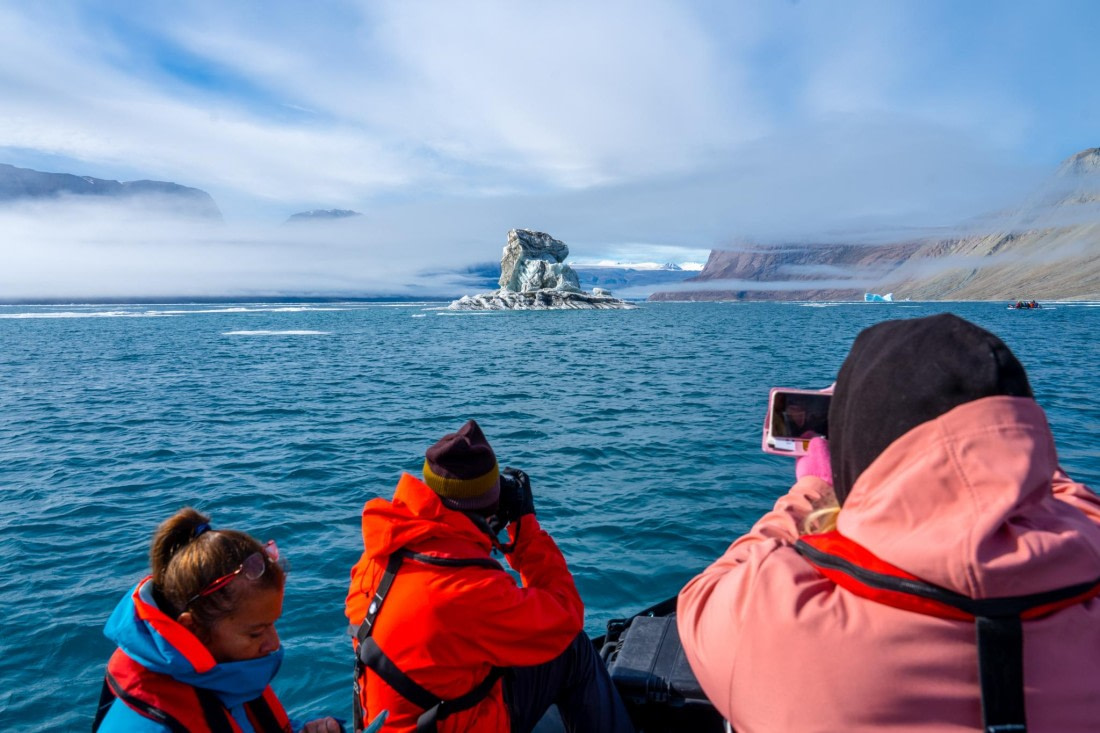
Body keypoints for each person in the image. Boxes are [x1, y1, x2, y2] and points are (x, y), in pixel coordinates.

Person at [677, 313, 1100, 732]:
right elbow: (1072, 500)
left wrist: (813, 487)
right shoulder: (1089, 545)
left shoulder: (766, 620)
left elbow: (703, 596)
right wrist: (1004, 449)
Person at [345, 419, 634, 733]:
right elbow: (566, 615)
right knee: (572, 648)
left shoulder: (382, 552)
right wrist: (525, 530)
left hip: (393, 719)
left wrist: (483, 529)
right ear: (490, 509)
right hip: (454, 724)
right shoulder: (468, 587)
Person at [94, 508, 343, 733]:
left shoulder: (227, 672)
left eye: (272, 624)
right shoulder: (150, 725)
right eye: (255, 633)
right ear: (193, 628)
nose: (274, 643)